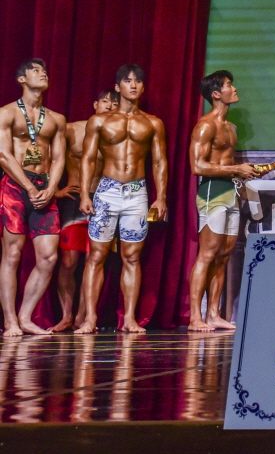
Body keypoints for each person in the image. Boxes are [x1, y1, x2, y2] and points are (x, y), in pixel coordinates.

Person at [76, 64, 168, 333]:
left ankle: (129, 318)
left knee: (132, 256)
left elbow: (160, 161)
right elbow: (88, 159)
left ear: (143, 87)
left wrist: (161, 197)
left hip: (137, 192)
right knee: (96, 255)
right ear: (118, 87)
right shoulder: (99, 121)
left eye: (138, 81)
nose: (133, 85)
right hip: (107, 191)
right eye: (128, 81)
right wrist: (84, 194)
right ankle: (90, 319)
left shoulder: (152, 122)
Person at [187, 71, 263, 331]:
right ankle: (194, 317)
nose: (235, 88)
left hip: (230, 191)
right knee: (207, 254)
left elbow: (228, 164)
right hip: (212, 192)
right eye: (230, 85)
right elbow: (197, 166)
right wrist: (236, 169)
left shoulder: (230, 127)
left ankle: (213, 314)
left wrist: (245, 171)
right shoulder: (206, 125)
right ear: (216, 94)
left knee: (223, 255)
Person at [0, 60, 66, 337]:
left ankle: (26, 317)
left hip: (44, 187)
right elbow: (3, 154)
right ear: (21, 79)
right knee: (12, 255)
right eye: (36, 70)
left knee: (49, 257)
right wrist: (28, 186)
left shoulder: (56, 119)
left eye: (45, 70)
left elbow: (59, 158)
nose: (43, 73)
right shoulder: (6, 113)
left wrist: (51, 188)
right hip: (16, 187)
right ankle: (10, 321)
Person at [52, 89, 118, 332]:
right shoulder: (72, 129)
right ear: (94, 104)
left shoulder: (117, 136)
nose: (109, 106)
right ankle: (66, 315)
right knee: (68, 261)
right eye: (105, 101)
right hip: (74, 200)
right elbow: (50, 157)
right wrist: (54, 190)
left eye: (115, 103)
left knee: (95, 260)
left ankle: (83, 316)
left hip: (103, 200)